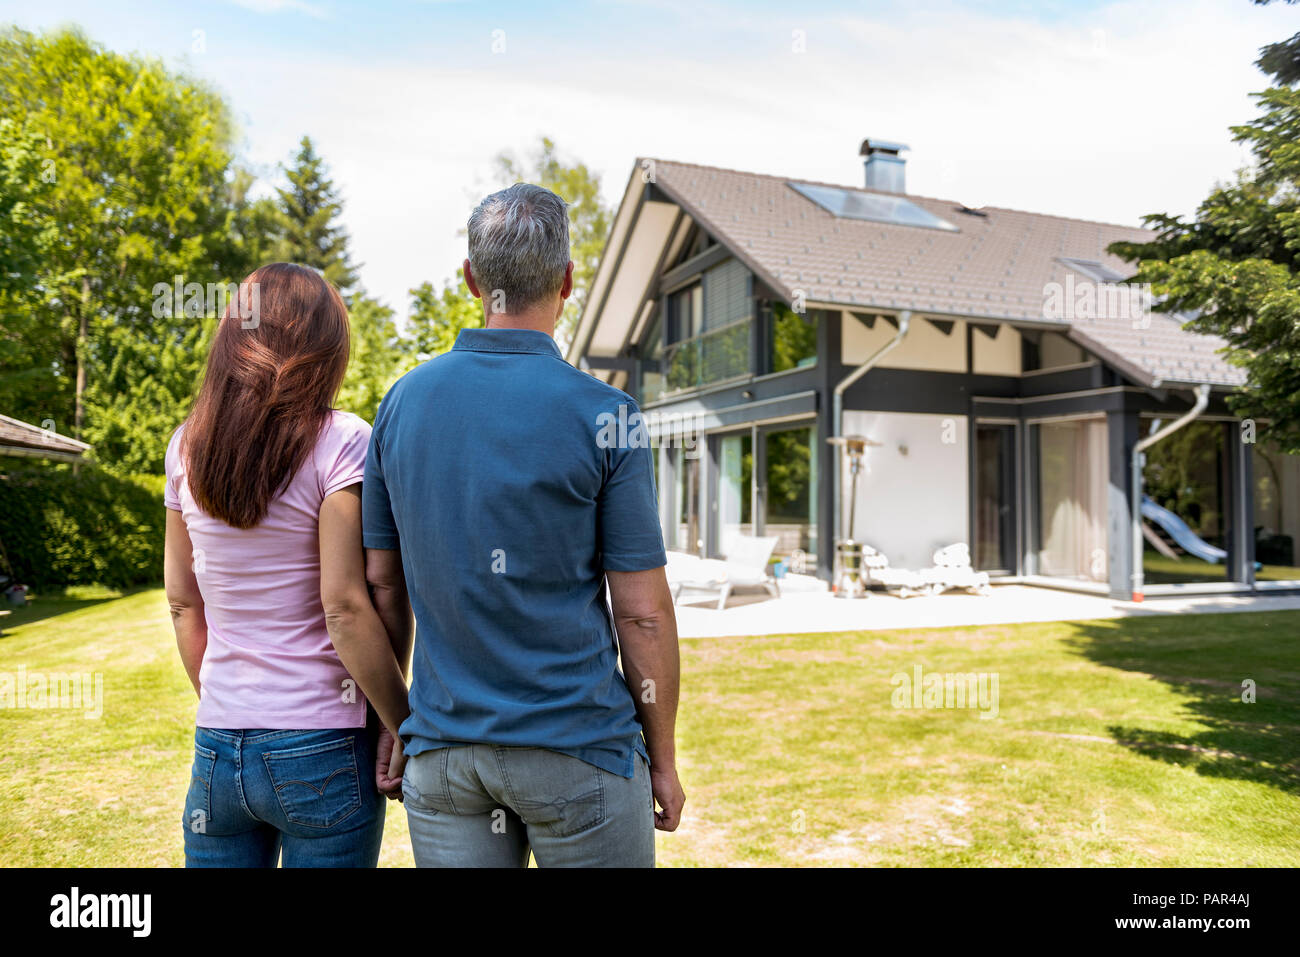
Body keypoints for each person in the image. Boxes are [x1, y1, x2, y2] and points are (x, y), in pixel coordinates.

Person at [362, 183, 685, 867]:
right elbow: (643, 616)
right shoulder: (608, 414)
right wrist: (662, 757)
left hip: (446, 757)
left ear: (472, 279)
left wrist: (399, 721)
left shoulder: (401, 404)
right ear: (568, 280)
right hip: (579, 751)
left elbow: (381, 588)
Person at [163, 262, 412, 868]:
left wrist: (227, 701)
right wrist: (401, 721)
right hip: (323, 748)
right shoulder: (342, 440)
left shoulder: (185, 446)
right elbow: (349, 604)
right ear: (324, 346)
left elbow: (181, 600)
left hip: (219, 750)